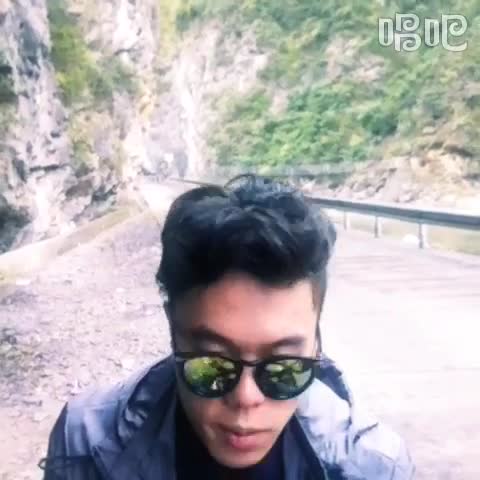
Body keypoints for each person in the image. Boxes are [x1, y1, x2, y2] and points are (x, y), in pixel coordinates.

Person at [40, 174, 414, 479]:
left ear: (316, 345)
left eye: (284, 369)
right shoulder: (85, 439)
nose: (246, 400)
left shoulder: (373, 467)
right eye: (212, 365)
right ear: (173, 330)